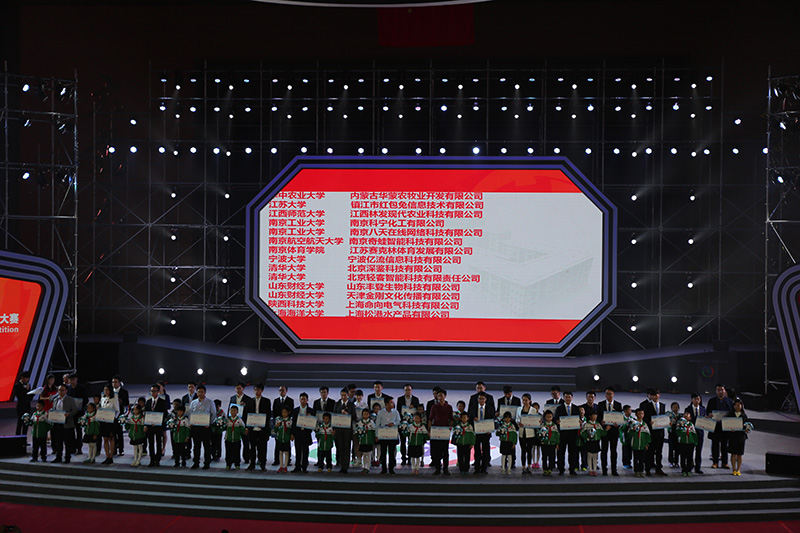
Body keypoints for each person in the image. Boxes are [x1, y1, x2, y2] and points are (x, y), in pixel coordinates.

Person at [639, 388, 667, 476]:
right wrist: (649, 422)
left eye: (656, 395)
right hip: (651, 432)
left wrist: (667, 422)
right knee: (650, 452)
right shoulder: (647, 406)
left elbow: (663, 417)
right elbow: (644, 418)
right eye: (653, 395)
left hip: (660, 432)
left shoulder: (662, 405)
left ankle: (659, 468)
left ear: (659, 395)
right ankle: (648, 469)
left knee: (659, 452)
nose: (655, 397)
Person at [706, 383, 734, 469]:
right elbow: (707, 411)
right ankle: (715, 462)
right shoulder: (712, 401)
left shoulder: (729, 401)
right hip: (715, 426)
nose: (720, 392)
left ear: (724, 391)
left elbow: (732, 413)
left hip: (725, 426)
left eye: (722, 390)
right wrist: (709, 414)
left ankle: (725, 463)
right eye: (718, 390)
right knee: (715, 445)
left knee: (724, 445)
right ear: (716, 391)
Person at [596, 386, 623, 476]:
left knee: (613, 451)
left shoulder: (618, 405)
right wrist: (602, 422)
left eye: (610, 394)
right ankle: (604, 469)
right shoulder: (600, 404)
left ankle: (614, 470)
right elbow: (598, 417)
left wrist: (617, 424)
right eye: (607, 394)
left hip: (614, 432)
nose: (608, 395)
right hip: (605, 431)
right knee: (604, 451)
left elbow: (620, 417)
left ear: (613, 394)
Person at [244, 383, 271, 471]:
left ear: (262, 391)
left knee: (262, 447)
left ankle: (263, 464)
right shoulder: (250, 401)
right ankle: (252, 464)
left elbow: (268, 415)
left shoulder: (266, 401)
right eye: (255, 389)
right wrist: (247, 427)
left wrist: (263, 423)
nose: (256, 391)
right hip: (252, 428)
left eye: (258, 390)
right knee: (252, 447)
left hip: (262, 428)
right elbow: (246, 414)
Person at [188, 384, 215, 470]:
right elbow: (190, 413)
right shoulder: (193, 402)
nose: (200, 393)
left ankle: (207, 463)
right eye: (199, 392)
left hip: (205, 427)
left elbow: (213, 414)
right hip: (195, 427)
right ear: (196, 392)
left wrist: (209, 423)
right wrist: (191, 422)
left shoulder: (210, 402)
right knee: (196, 446)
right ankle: (196, 462)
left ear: (205, 392)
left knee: (207, 446)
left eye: (202, 392)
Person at [50, 384, 78, 463]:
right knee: (58, 441)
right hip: (57, 423)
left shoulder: (70, 399)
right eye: (59, 390)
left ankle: (67, 457)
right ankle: (58, 456)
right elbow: (54, 409)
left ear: (66, 391)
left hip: (67, 423)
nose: (60, 392)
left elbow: (75, 410)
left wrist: (69, 414)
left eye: (62, 390)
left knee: (67, 442)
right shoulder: (55, 399)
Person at [428, 388, 453, 476]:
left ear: (445, 396)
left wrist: (450, 426)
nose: (440, 397)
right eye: (438, 396)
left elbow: (451, 419)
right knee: (436, 451)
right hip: (436, 431)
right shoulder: (434, 407)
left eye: (441, 396)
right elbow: (430, 419)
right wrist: (429, 430)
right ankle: (437, 468)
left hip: (445, 432)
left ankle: (446, 468)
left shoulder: (449, 407)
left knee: (445, 451)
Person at [470, 391, 495, 475]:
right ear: (477, 399)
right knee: (476, 451)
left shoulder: (490, 408)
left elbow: (492, 420)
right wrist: (473, 418)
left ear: (486, 399)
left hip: (486, 433)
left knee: (486, 451)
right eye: (479, 399)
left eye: (483, 399)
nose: (481, 400)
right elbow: (469, 418)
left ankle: (484, 468)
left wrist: (490, 429)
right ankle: (477, 468)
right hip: (476, 432)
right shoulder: (473, 408)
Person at [555, 391, 579, 475]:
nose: (568, 399)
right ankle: (561, 469)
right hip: (562, 433)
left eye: (569, 397)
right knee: (561, 452)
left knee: (572, 452)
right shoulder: (559, 408)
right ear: (563, 398)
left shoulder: (576, 408)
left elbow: (579, 419)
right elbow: (555, 419)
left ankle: (572, 469)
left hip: (573, 434)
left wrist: (579, 421)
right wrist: (557, 422)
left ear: (572, 398)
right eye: (566, 397)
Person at [290, 392, 316, 473]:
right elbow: (293, 423)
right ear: (299, 400)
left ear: (307, 400)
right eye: (301, 399)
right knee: (297, 450)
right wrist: (292, 434)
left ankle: (304, 466)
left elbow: (314, 422)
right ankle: (297, 466)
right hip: (297, 433)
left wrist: (310, 417)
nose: (303, 401)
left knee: (305, 451)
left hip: (306, 433)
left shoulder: (311, 411)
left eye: (304, 399)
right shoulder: (295, 410)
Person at [497, 385, 521, 469]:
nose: (508, 395)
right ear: (504, 393)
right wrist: (498, 414)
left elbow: (519, 411)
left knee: (512, 443)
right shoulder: (500, 400)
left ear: (511, 393)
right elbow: (498, 411)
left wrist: (515, 418)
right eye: (506, 394)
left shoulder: (517, 400)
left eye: (509, 393)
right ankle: (504, 462)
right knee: (504, 443)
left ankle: (512, 462)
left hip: (512, 424)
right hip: (504, 425)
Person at [396, 384, 420, 466]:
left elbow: (417, 412)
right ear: (404, 391)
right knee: (402, 442)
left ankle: (410, 458)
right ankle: (403, 458)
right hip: (403, 424)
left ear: (411, 391)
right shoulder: (400, 399)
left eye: (409, 390)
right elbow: (398, 411)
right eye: (406, 390)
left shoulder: (416, 399)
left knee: (410, 442)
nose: (407, 391)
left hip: (412, 424)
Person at [145, 383, 168, 467]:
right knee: (150, 443)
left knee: (158, 443)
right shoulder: (148, 402)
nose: (152, 393)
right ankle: (152, 459)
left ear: (158, 392)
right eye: (151, 391)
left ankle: (158, 460)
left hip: (158, 426)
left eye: (154, 391)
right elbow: (146, 414)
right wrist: (146, 424)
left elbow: (165, 414)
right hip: (150, 426)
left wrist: (158, 421)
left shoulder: (162, 402)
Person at [334, 388, 356, 473]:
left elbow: (354, 417)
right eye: (342, 395)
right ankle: (340, 463)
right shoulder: (337, 404)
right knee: (340, 447)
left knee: (347, 447)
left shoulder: (351, 405)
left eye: (345, 395)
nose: (343, 397)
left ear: (348, 395)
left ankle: (345, 466)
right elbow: (334, 415)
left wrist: (347, 415)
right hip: (339, 429)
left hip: (347, 430)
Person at [376, 398, 401, 475]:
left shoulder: (396, 412)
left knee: (391, 452)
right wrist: (376, 435)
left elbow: (399, 421)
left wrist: (393, 423)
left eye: (393, 402)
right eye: (391, 402)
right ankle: (383, 469)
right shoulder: (381, 412)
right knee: (383, 452)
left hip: (392, 434)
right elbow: (377, 424)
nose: (393, 404)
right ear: (386, 404)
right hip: (383, 434)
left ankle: (391, 469)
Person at [228, 382, 251, 464]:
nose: (238, 390)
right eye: (236, 388)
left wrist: (247, 426)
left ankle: (247, 458)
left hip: (243, 423)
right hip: (234, 424)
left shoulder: (248, 399)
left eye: (239, 388)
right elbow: (229, 411)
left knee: (246, 442)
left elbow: (249, 412)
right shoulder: (232, 398)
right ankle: (234, 458)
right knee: (234, 442)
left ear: (243, 389)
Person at [726, 398, 750, 476]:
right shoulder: (730, 415)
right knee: (733, 453)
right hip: (732, 437)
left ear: (741, 406)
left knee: (740, 454)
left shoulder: (744, 415)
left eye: (739, 405)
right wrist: (730, 429)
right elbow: (726, 425)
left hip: (741, 437)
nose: (737, 407)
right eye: (735, 405)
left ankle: (738, 470)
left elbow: (747, 426)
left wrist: (747, 429)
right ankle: (733, 469)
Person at [684, 393, 706, 474]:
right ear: (692, 400)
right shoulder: (688, 409)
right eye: (695, 399)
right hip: (691, 433)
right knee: (690, 451)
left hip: (700, 433)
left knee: (699, 451)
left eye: (698, 399)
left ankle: (698, 467)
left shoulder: (703, 409)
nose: (697, 401)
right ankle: (689, 466)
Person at [272, 385, 294, 466]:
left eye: (283, 390)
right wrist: (276, 422)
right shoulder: (276, 401)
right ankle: (276, 460)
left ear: (286, 391)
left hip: (287, 424)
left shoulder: (290, 400)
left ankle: (288, 461)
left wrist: (286, 419)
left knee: (287, 445)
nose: (281, 392)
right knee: (277, 443)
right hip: (278, 424)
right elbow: (274, 412)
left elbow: (291, 412)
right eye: (280, 390)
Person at [67, 374, 89, 455]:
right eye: (70, 380)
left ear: (76, 379)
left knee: (79, 430)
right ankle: (72, 447)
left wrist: (80, 405)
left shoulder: (81, 388)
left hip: (79, 413)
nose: (72, 381)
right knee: (71, 431)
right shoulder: (68, 389)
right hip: (71, 413)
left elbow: (86, 399)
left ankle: (79, 447)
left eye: (73, 380)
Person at [579, 411, 605, 476]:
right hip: (589, 442)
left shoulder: (598, 424)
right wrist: (587, 436)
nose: (595, 417)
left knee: (595, 456)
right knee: (589, 456)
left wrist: (606, 430)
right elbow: (582, 433)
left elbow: (602, 433)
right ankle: (590, 470)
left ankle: (595, 470)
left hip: (596, 442)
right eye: (593, 415)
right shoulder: (587, 425)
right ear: (590, 416)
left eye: (596, 415)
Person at [628, 408, 651, 478]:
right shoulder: (633, 424)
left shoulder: (645, 425)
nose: (640, 415)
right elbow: (629, 434)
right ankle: (636, 471)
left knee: (642, 459)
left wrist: (647, 444)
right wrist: (632, 430)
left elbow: (648, 435)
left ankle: (641, 471)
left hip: (642, 445)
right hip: (635, 445)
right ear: (636, 414)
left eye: (642, 414)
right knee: (636, 459)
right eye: (639, 414)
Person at [518, 395, 538, 474]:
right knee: (523, 450)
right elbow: (517, 418)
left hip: (530, 433)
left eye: (526, 400)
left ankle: (529, 466)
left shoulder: (533, 410)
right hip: (522, 432)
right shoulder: (519, 409)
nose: (524, 402)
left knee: (529, 450)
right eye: (523, 400)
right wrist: (518, 422)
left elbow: (535, 420)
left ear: (530, 400)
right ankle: (523, 466)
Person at [99, 385, 119, 465]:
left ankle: (111, 456)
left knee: (111, 438)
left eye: (107, 390)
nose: (106, 391)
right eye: (105, 390)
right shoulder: (103, 398)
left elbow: (117, 411)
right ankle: (107, 456)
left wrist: (112, 419)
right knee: (105, 439)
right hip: (104, 422)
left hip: (111, 422)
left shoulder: (114, 399)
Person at [675, 411, 698, 476]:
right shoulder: (680, 424)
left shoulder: (691, 425)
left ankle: (689, 469)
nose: (686, 416)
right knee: (683, 456)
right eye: (685, 415)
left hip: (690, 443)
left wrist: (695, 442)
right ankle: (683, 469)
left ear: (690, 418)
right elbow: (677, 432)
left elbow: (694, 433)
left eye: (687, 415)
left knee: (690, 457)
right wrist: (680, 426)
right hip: (683, 442)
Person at [111, 375, 130, 456]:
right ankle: (114, 449)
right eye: (113, 382)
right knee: (112, 433)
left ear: (119, 383)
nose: (114, 384)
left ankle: (121, 449)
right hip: (111, 414)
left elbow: (127, 403)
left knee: (119, 433)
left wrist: (121, 401)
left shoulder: (124, 392)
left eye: (116, 382)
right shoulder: (110, 391)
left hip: (120, 414)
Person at [579, 391, 597, 471]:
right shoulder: (582, 408)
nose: (590, 398)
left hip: (594, 432)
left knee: (594, 449)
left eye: (592, 397)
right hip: (585, 432)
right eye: (589, 397)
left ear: (595, 398)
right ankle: (584, 464)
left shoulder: (597, 407)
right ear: (586, 397)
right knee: (584, 449)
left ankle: (594, 464)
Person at [224, 405, 246, 470]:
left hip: (237, 440)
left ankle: (237, 464)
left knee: (237, 453)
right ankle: (228, 464)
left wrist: (245, 431)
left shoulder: (239, 420)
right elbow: (223, 427)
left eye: (234, 411)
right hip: (228, 439)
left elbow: (243, 429)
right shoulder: (227, 420)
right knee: (228, 453)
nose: (233, 412)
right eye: (232, 411)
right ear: (230, 412)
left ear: (237, 412)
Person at [538, 410, 560, 476]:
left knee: (552, 457)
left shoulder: (554, 426)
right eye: (547, 417)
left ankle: (550, 469)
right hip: (544, 444)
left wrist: (557, 443)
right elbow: (540, 434)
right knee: (544, 457)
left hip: (552, 444)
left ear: (552, 417)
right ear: (545, 417)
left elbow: (557, 435)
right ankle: (545, 469)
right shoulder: (543, 426)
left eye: (550, 417)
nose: (549, 418)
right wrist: (542, 440)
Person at [272, 406, 293, 473]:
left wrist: (291, 435)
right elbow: (275, 430)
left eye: (285, 412)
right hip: (280, 439)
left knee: (286, 452)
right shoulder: (278, 419)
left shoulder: (290, 420)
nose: (284, 414)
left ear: (288, 413)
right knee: (280, 452)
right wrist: (276, 426)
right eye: (283, 412)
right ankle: (281, 466)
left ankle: (285, 466)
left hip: (286, 439)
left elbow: (291, 430)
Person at [355, 409, 376, 474]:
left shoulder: (371, 422)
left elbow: (374, 431)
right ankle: (364, 467)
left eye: (367, 414)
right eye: (364, 414)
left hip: (369, 441)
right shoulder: (360, 423)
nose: (365, 415)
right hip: (363, 441)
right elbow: (357, 432)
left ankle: (368, 467)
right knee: (364, 454)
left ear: (369, 415)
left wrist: (374, 439)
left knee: (368, 454)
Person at [12, 371, 31, 436]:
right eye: (26, 378)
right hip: (20, 407)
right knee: (20, 423)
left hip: (27, 406)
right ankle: (17, 438)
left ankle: (24, 438)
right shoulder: (17, 385)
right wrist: (26, 390)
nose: (27, 379)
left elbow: (29, 396)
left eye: (28, 378)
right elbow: (19, 396)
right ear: (22, 377)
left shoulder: (28, 385)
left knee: (26, 423)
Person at [667, 401, 681, 468]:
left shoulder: (680, 416)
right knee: (671, 448)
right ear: (671, 408)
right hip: (671, 433)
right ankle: (670, 461)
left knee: (677, 448)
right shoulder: (669, 415)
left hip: (678, 433)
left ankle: (676, 462)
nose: (675, 409)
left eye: (676, 407)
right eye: (674, 407)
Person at [621, 404, 633, 469]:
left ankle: (629, 462)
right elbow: (621, 428)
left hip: (630, 437)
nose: (630, 412)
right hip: (624, 437)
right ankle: (625, 463)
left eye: (630, 410)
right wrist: (626, 425)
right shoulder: (621, 419)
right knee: (625, 450)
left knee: (630, 450)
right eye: (629, 410)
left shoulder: (632, 418)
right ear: (625, 411)